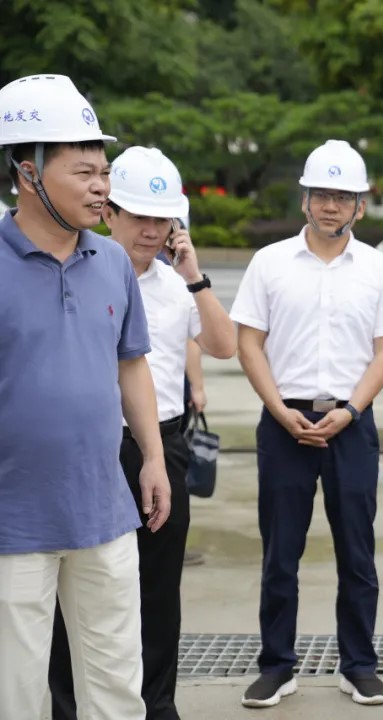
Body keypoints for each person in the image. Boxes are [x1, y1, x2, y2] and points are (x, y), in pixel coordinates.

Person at [0, 73, 170, 720]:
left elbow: (132, 364)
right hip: (12, 520)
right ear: (28, 173)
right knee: (14, 692)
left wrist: (152, 458)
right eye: (84, 173)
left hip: (104, 511)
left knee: (116, 685)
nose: (102, 187)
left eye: (104, 172)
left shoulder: (112, 262)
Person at [48, 146, 237, 719]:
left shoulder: (177, 284)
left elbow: (224, 345)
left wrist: (194, 275)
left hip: (162, 446)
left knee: (157, 587)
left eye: (162, 220)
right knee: (73, 587)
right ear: (110, 213)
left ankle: (157, 705)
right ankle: (69, 706)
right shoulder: (78, 270)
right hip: (93, 447)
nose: (152, 231)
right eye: (140, 218)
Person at [231, 139, 383, 708]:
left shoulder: (379, 269)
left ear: (360, 205)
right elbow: (248, 343)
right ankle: (277, 666)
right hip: (283, 420)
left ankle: (358, 665)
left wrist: (351, 410)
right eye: (321, 195)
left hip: (351, 422)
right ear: (304, 198)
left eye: (343, 196)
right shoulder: (270, 263)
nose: (330, 206)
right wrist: (278, 409)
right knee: (279, 553)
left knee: (357, 552)